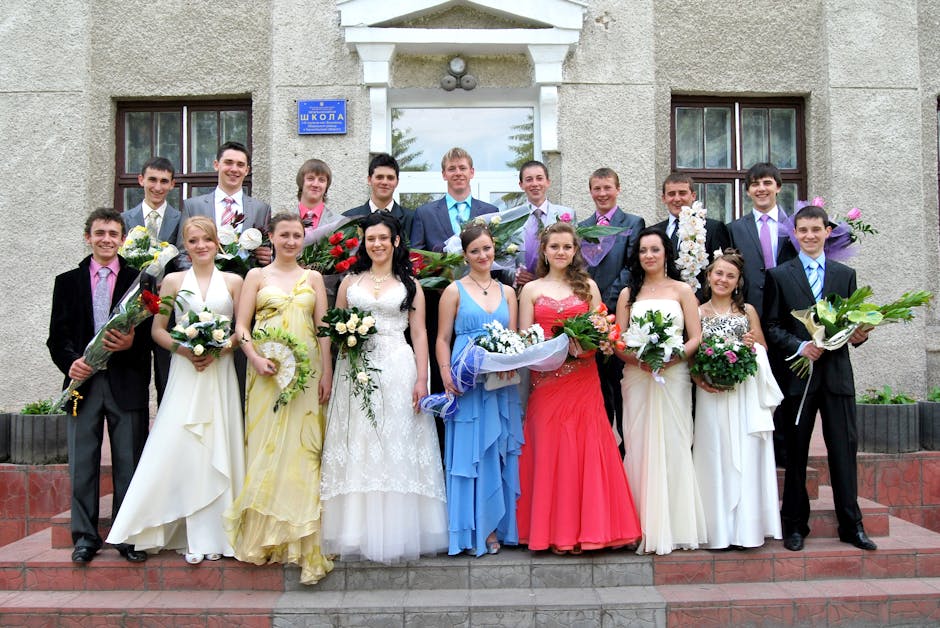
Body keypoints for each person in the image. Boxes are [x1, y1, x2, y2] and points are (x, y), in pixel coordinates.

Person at [107, 217, 245, 563]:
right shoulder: (172, 281)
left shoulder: (234, 281)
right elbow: (158, 330)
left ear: (217, 243)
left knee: (218, 440)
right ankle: (183, 530)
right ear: (186, 245)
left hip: (219, 370)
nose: (201, 246)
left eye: (207, 240)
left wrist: (219, 349)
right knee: (180, 441)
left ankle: (218, 534)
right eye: (193, 241)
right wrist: (186, 350)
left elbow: (241, 330)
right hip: (186, 371)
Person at [321, 212, 448, 564]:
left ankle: (398, 529)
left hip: (397, 366)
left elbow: (419, 333)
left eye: (382, 238)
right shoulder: (350, 282)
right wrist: (332, 365)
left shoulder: (411, 284)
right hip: (355, 368)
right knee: (359, 439)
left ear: (395, 241)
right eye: (370, 239)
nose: (376, 244)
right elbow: (332, 328)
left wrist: (422, 379)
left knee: (395, 440)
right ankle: (354, 529)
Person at [516, 222, 641, 554]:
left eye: (567, 247)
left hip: (582, 377)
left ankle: (590, 530)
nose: (561, 252)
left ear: (575, 252)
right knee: (550, 450)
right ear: (544, 251)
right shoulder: (531, 290)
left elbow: (604, 333)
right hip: (547, 380)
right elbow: (524, 339)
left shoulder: (588, 287)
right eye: (554, 246)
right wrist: (554, 348)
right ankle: (554, 532)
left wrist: (584, 346)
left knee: (585, 450)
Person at [223, 212, 335, 584]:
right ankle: (266, 534)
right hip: (266, 374)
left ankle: (301, 537)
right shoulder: (256, 276)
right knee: (266, 444)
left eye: (296, 235)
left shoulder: (313, 278)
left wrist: (327, 371)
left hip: (307, 374)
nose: (290, 241)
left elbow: (323, 328)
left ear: (303, 239)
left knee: (304, 448)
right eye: (284, 235)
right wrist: (254, 358)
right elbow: (241, 326)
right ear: (270, 237)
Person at [763, 205, 876, 552]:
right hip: (799, 378)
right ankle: (795, 524)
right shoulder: (780, 275)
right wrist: (800, 346)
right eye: (803, 230)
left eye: (816, 229)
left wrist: (860, 335)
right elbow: (772, 326)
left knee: (843, 450)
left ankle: (851, 525)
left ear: (828, 232)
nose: (810, 236)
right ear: (794, 235)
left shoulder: (845, 275)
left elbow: (853, 324)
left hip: (837, 378)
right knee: (796, 453)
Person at [47, 208, 151, 564]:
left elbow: (152, 334)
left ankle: (126, 536)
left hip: (126, 383)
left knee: (128, 463)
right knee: (83, 464)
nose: (106, 239)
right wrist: (70, 362)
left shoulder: (141, 281)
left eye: (113, 234)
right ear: (88, 237)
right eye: (100, 233)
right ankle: (85, 538)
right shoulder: (67, 282)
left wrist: (132, 342)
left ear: (122, 239)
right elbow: (56, 337)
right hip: (83, 384)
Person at [616, 227, 706, 555]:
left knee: (675, 442)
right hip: (638, 376)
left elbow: (696, 336)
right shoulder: (629, 294)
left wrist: (674, 356)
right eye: (643, 251)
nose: (649, 256)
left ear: (667, 252)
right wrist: (639, 360)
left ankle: (677, 525)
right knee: (638, 444)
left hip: (674, 376)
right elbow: (618, 339)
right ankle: (637, 525)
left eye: (655, 249)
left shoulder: (683, 290)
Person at [435, 223, 523, 556]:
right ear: (465, 255)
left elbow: (514, 337)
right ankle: (470, 529)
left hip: (499, 383)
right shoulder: (454, 291)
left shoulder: (508, 292)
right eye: (475, 251)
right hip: (466, 382)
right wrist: (446, 374)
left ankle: (496, 526)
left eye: (487, 248)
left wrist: (512, 359)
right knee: (470, 452)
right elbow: (442, 338)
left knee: (497, 448)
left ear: (494, 248)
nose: (482, 255)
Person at [691, 250, 782, 549]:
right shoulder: (697, 312)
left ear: (738, 281)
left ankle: (745, 531)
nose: (723, 279)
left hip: (743, 393)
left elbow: (763, 347)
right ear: (708, 276)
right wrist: (700, 378)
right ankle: (717, 531)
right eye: (718, 273)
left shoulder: (748, 311)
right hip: (711, 394)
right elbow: (691, 354)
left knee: (744, 454)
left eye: (730, 276)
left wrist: (752, 344)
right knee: (714, 453)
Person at [727, 162, 798, 466]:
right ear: (747, 191)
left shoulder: (795, 226)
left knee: (785, 381)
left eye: (767, 183)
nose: (761, 189)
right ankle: (757, 448)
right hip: (751, 312)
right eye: (755, 184)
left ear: (778, 187)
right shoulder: (735, 228)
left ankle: (785, 451)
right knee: (755, 379)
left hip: (789, 315)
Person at [579, 168, 645, 446]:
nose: (602, 193)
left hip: (618, 315)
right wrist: (590, 309)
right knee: (598, 387)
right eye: (597, 188)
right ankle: (603, 447)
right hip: (590, 320)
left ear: (618, 189)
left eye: (607, 187)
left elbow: (631, 267)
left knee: (621, 386)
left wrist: (605, 305)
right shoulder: (582, 227)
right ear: (590, 191)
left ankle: (626, 449)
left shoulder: (632, 223)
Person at [122, 156, 182, 405]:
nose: (158, 187)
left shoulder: (180, 218)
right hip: (134, 309)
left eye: (164, 181)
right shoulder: (125, 219)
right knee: (133, 379)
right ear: (141, 180)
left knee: (166, 377)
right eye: (152, 180)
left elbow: (183, 259)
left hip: (166, 309)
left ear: (172, 184)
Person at [179, 141, 272, 267]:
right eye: (228, 162)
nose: (234, 169)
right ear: (216, 165)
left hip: (246, 277)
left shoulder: (261, 209)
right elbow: (182, 254)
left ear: (246, 170)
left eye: (240, 165)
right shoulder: (193, 206)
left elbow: (268, 253)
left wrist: (267, 258)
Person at [653, 173, 730, 301]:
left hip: (700, 303)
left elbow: (721, 269)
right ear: (664, 198)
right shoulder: (654, 231)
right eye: (671, 194)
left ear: (693, 195)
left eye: (682, 193)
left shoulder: (713, 228)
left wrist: (699, 300)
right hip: (663, 301)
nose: (677, 199)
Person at [410, 147, 498, 252]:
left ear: (471, 172)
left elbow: (498, 252)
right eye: (452, 169)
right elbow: (416, 256)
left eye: (462, 168)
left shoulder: (491, 212)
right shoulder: (425, 214)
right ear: (444, 174)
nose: (458, 173)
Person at [512, 160, 574, 288]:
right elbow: (503, 260)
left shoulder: (567, 214)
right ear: (521, 184)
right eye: (529, 179)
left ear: (548, 182)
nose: (535, 184)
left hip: (558, 286)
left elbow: (574, 252)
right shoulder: (512, 218)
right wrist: (514, 275)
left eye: (539, 178)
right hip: (524, 287)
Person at [344, 152, 415, 241]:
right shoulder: (348, 219)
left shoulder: (412, 219)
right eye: (379, 177)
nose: (385, 182)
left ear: (397, 182)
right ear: (369, 180)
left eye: (390, 178)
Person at [295, 158, 333, 235]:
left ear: (326, 186)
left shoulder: (340, 223)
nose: (315, 184)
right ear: (301, 182)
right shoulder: (281, 222)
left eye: (321, 180)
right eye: (310, 179)